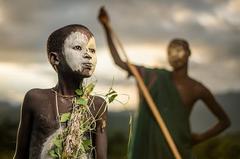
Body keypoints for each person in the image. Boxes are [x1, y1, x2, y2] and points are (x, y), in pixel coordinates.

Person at [98, 7, 230, 159]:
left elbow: (224, 121)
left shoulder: (197, 89)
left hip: (178, 148)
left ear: (189, 53)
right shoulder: (153, 76)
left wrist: (200, 138)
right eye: (171, 50)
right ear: (167, 56)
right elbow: (119, 61)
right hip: (148, 148)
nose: (176, 53)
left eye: (180, 49)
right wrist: (107, 27)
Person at [14, 24, 107, 159]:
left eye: (92, 50)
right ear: (55, 58)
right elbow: (20, 154)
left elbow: (101, 157)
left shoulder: (97, 105)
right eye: (78, 48)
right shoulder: (35, 99)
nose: (88, 55)